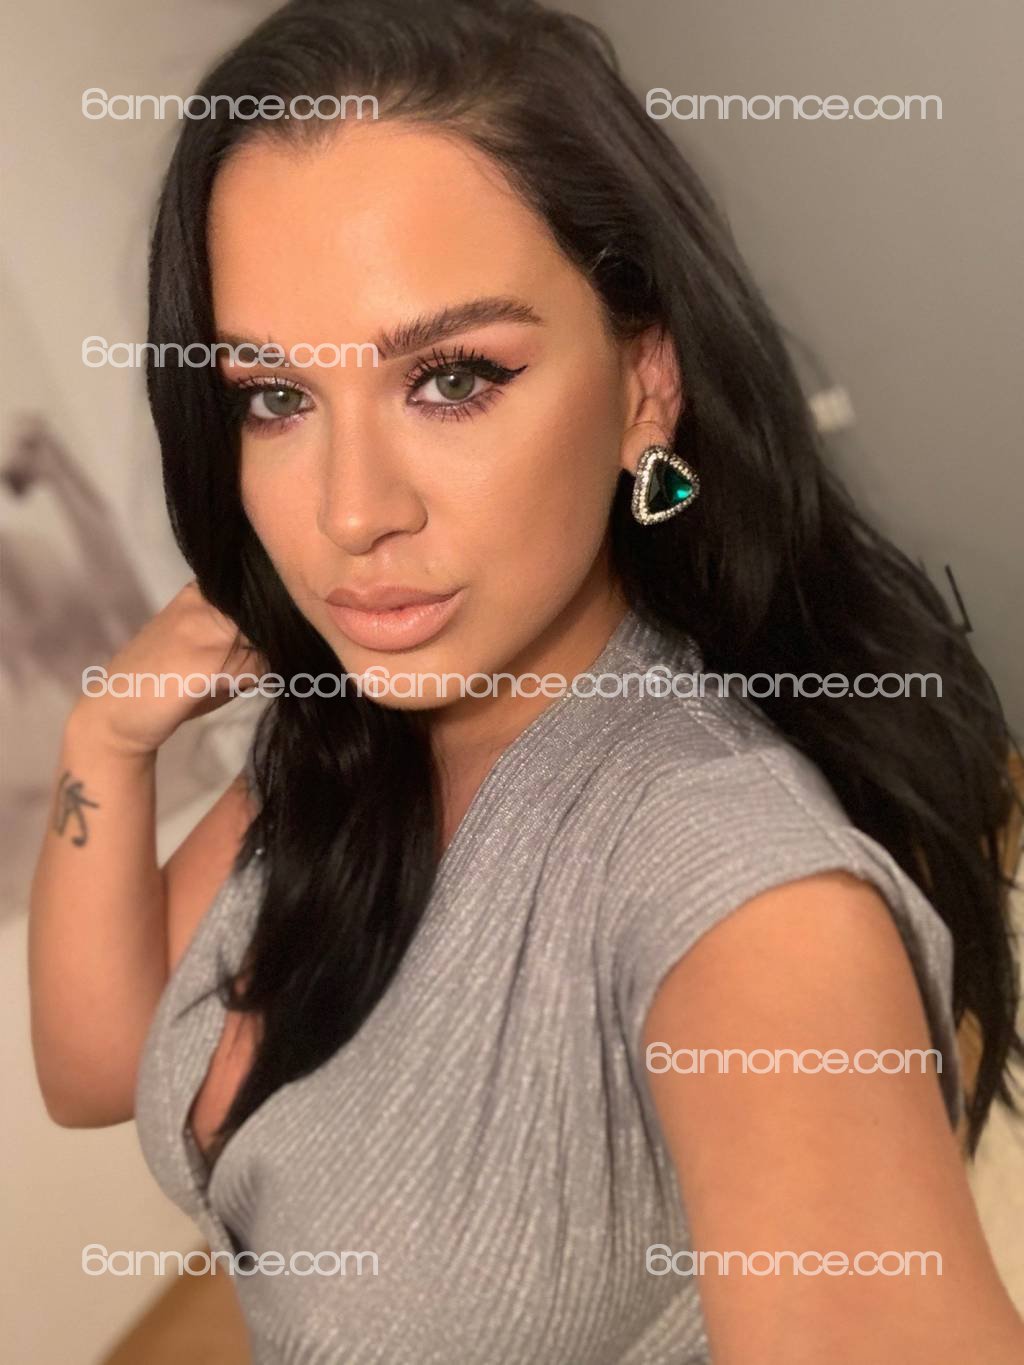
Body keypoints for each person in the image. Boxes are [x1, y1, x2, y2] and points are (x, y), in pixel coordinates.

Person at [28, 1, 1024, 1360]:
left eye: (452, 378)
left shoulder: (736, 880)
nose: (350, 513)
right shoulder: (345, 742)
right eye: (276, 396)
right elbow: (96, 1072)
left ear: (645, 386)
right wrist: (106, 737)